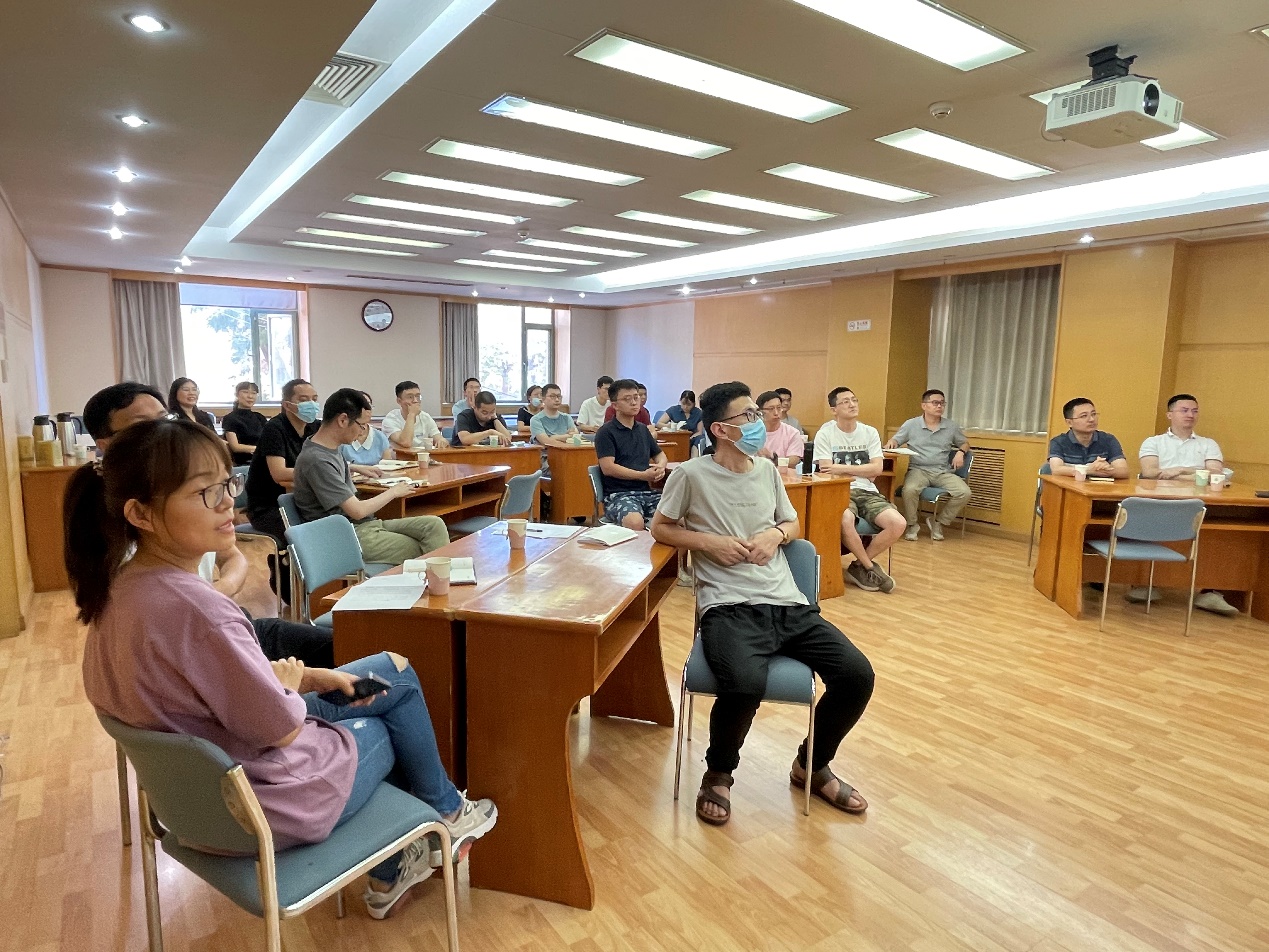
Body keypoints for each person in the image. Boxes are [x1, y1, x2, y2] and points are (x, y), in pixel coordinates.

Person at [66, 417, 496, 920]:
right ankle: (441, 819)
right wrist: (290, 690)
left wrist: (309, 677)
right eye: (205, 492)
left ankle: (404, 854)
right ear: (139, 513)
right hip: (263, 806)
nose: (228, 503)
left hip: (197, 804)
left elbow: (194, 690)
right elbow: (280, 729)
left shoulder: (116, 591)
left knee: (386, 672)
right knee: (385, 712)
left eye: (227, 484)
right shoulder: (200, 610)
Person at [650, 381, 874, 825]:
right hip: (728, 605)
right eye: (748, 415)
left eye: (757, 413)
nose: (759, 421)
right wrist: (710, 543)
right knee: (744, 683)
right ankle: (718, 775)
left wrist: (775, 535)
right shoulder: (690, 475)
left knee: (856, 676)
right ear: (720, 429)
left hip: (787, 603)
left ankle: (811, 766)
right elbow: (661, 527)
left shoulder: (767, 471)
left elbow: (791, 523)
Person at [82, 382, 334, 667]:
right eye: (143, 425)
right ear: (106, 445)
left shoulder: (184, 526)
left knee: (351, 646)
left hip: (218, 617)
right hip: (202, 633)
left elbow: (232, 556)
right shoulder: (128, 539)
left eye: (164, 419)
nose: (227, 503)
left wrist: (213, 595)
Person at [294, 389, 450, 566]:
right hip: (344, 535)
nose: (362, 432)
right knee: (422, 548)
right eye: (361, 426)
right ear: (343, 420)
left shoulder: (326, 448)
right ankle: (438, 580)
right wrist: (394, 491)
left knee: (434, 525)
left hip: (363, 525)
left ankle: (439, 577)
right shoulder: (317, 460)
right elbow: (357, 511)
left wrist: (353, 467)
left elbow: (330, 471)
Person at [1134, 393, 1237, 616]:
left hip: (1200, 504)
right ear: (1169, 415)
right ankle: (1146, 582)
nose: (1190, 415)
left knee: (1221, 533)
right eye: (1184, 410)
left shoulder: (1208, 444)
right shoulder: (1154, 442)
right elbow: (1150, 472)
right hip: (1159, 502)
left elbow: (1216, 473)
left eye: (1194, 411)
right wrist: (1196, 475)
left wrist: (1180, 470)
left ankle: (1210, 590)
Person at [812, 387, 902, 594]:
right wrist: (863, 470)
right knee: (845, 519)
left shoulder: (869, 432)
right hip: (838, 490)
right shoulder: (825, 434)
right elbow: (825, 469)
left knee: (898, 523)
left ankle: (859, 565)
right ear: (834, 410)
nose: (852, 404)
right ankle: (869, 567)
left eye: (854, 400)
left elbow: (877, 469)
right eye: (845, 402)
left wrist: (840, 468)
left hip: (867, 491)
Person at [886, 389, 972, 542]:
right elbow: (895, 441)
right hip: (918, 470)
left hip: (942, 471)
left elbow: (964, 443)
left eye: (942, 403)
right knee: (910, 490)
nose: (939, 406)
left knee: (964, 492)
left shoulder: (951, 426)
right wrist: (892, 442)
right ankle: (912, 525)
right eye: (935, 403)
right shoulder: (911, 424)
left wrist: (960, 452)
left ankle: (938, 522)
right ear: (924, 405)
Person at [245, 378, 319, 547]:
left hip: (300, 500)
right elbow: (279, 473)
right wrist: (321, 472)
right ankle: (291, 563)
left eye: (314, 399)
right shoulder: (274, 428)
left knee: (334, 522)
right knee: (309, 537)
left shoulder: (315, 427)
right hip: (268, 507)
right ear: (287, 405)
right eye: (304, 400)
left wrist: (352, 467)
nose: (311, 404)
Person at [594, 378, 667, 530]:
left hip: (647, 493)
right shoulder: (606, 432)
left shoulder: (643, 430)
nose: (634, 402)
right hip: (618, 495)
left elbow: (660, 455)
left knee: (678, 518)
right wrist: (643, 475)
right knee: (635, 522)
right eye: (627, 399)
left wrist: (661, 467)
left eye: (636, 397)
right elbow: (608, 468)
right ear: (615, 405)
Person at [1046, 398, 1130, 480]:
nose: (1091, 419)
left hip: (1099, 488)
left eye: (1093, 414)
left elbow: (1124, 471)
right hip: (1067, 488)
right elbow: (1056, 470)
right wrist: (1089, 470)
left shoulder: (1108, 440)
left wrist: (1106, 470)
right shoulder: (1058, 442)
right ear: (1069, 422)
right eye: (1084, 416)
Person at [382, 380, 445, 451]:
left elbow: (439, 437)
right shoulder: (391, 420)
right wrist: (411, 415)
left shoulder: (425, 417)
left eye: (418, 396)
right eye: (410, 397)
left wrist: (441, 441)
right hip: (400, 457)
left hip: (422, 456)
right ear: (399, 401)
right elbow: (406, 442)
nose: (415, 400)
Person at [221, 381, 268, 465]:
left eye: (254, 393)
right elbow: (235, 447)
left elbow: (269, 439)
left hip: (264, 459)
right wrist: (259, 449)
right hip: (245, 462)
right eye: (245, 392)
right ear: (237, 395)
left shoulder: (260, 417)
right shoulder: (230, 418)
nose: (250, 396)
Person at [754, 389, 804, 463]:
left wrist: (773, 458)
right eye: (771, 409)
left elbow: (793, 461)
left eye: (779, 408)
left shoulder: (792, 433)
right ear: (760, 412)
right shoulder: (751, 432)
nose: (776, 413)